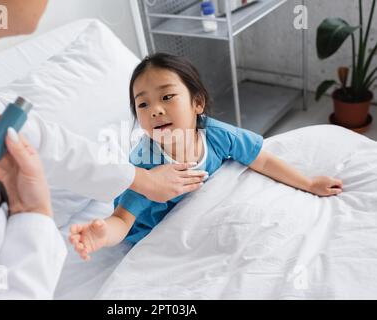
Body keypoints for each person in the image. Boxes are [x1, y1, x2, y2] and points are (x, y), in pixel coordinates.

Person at [0, 1, 205, 299]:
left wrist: (140, 179)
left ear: (197, 103)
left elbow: (41, 138)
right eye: (143, 104)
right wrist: (33, 215)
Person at [69, 53, 344, 261]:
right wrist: (103, 233)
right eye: (143, 104)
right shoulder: (146, 163)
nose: (155, 110)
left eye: (166, 97)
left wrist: (308, 184)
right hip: (154, 231)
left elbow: (261, 159)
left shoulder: (215, 134)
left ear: (197, 103)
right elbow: (123, 220)